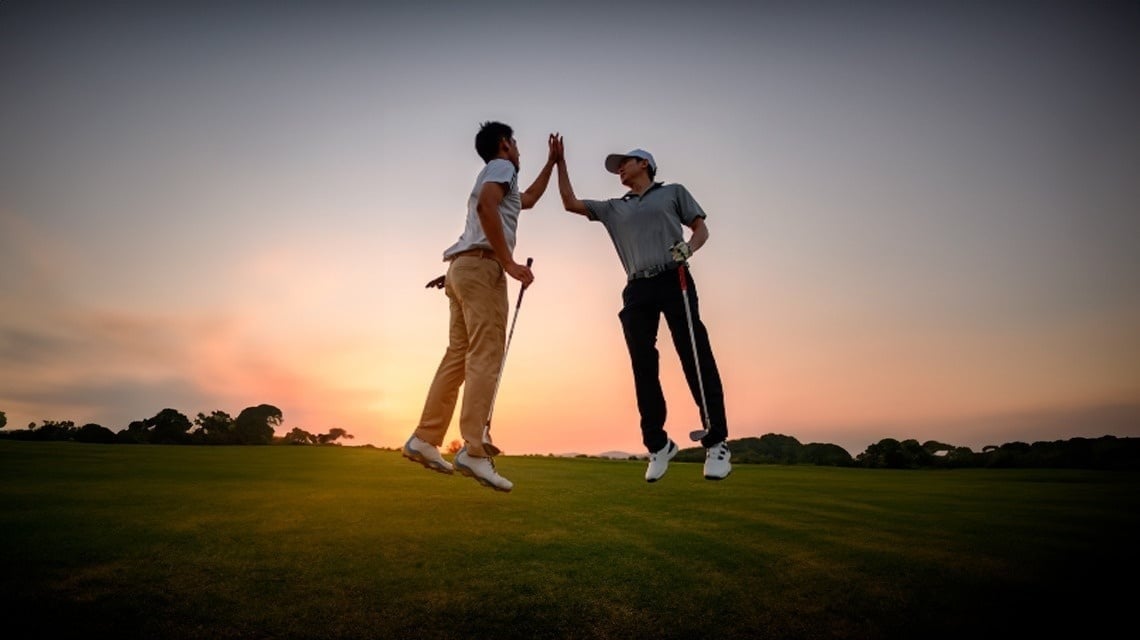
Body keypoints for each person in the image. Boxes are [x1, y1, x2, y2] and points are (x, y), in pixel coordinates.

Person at [553, 136, 731, 482]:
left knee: (694, 354)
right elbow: (570, 203)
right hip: (637, 287)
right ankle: (658, 444)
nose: (619, 168)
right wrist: (560, 163)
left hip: (674, 275)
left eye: (626, 162)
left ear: (645, 164)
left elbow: (700, 228)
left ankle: (717, 441)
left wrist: (689, 249)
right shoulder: (612, 207)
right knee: (642, 365)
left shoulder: (673, 192)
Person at [402, 122, 558, 493]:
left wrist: (552, 163)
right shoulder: (501, 167)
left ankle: (425, 438)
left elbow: (529, 199)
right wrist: (508, 262)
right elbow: (488, 206)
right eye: (516, 143)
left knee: (457, 355)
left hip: (462, 268)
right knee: (486, 354)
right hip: (482, 267)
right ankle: (473, 448)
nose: (519, 149)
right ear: (505, 145)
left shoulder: (502, 177)